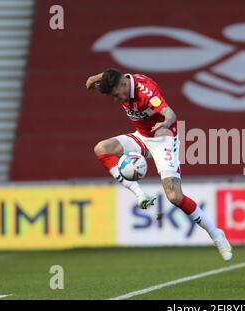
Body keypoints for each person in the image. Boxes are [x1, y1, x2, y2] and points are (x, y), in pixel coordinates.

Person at [85, 69, 232, 261]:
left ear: (122, 84)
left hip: (163, 138)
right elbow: (89, 82)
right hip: (142, 138)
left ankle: (215, 233)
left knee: (174, 197)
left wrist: (163, 125)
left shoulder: (145, 91)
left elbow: (171, 114)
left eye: (116, 95)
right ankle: (140, 194)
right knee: (101, 148)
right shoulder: (117, 83)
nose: (116, 99)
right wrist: (98, 78)